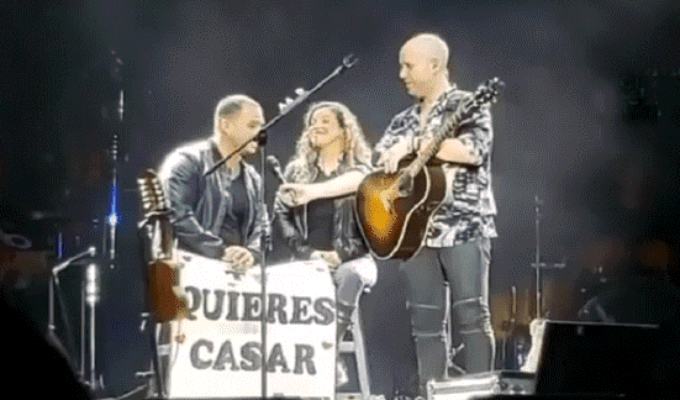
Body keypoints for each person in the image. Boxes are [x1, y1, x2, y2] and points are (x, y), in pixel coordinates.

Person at [374, 33, 497, 395]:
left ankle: (478, 393)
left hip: (464, 225)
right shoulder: (402, 120)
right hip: (414, 231)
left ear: (435, 65)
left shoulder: (468, 104)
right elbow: (381, 163)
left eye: (408, 66)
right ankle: (432, 392)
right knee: (425, 325)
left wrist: (415, 145)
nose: (402, 74)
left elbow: (473, 150)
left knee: (472, 315)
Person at [275, 101, 378, 386]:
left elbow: (377, 228)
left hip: (354, 259)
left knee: (352, 276)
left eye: (325, 122)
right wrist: (308, 254)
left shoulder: (363, 173)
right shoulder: (297, 172)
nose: (316, 126)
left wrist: (341, 255)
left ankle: (325, 355)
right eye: (312, 122)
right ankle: (305, 368)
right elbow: (281, 217)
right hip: (308, 261)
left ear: (344, 131)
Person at [158, 94, 269, 272]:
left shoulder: (253, 178)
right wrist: (220, 251)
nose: (261, 134)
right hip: (191, 272)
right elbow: (178, 216)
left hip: (237, 277)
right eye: (252, 125)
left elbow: (261, 227)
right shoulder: (187, 162)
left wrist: (251, 253)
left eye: (261, 126)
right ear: (225, 125)